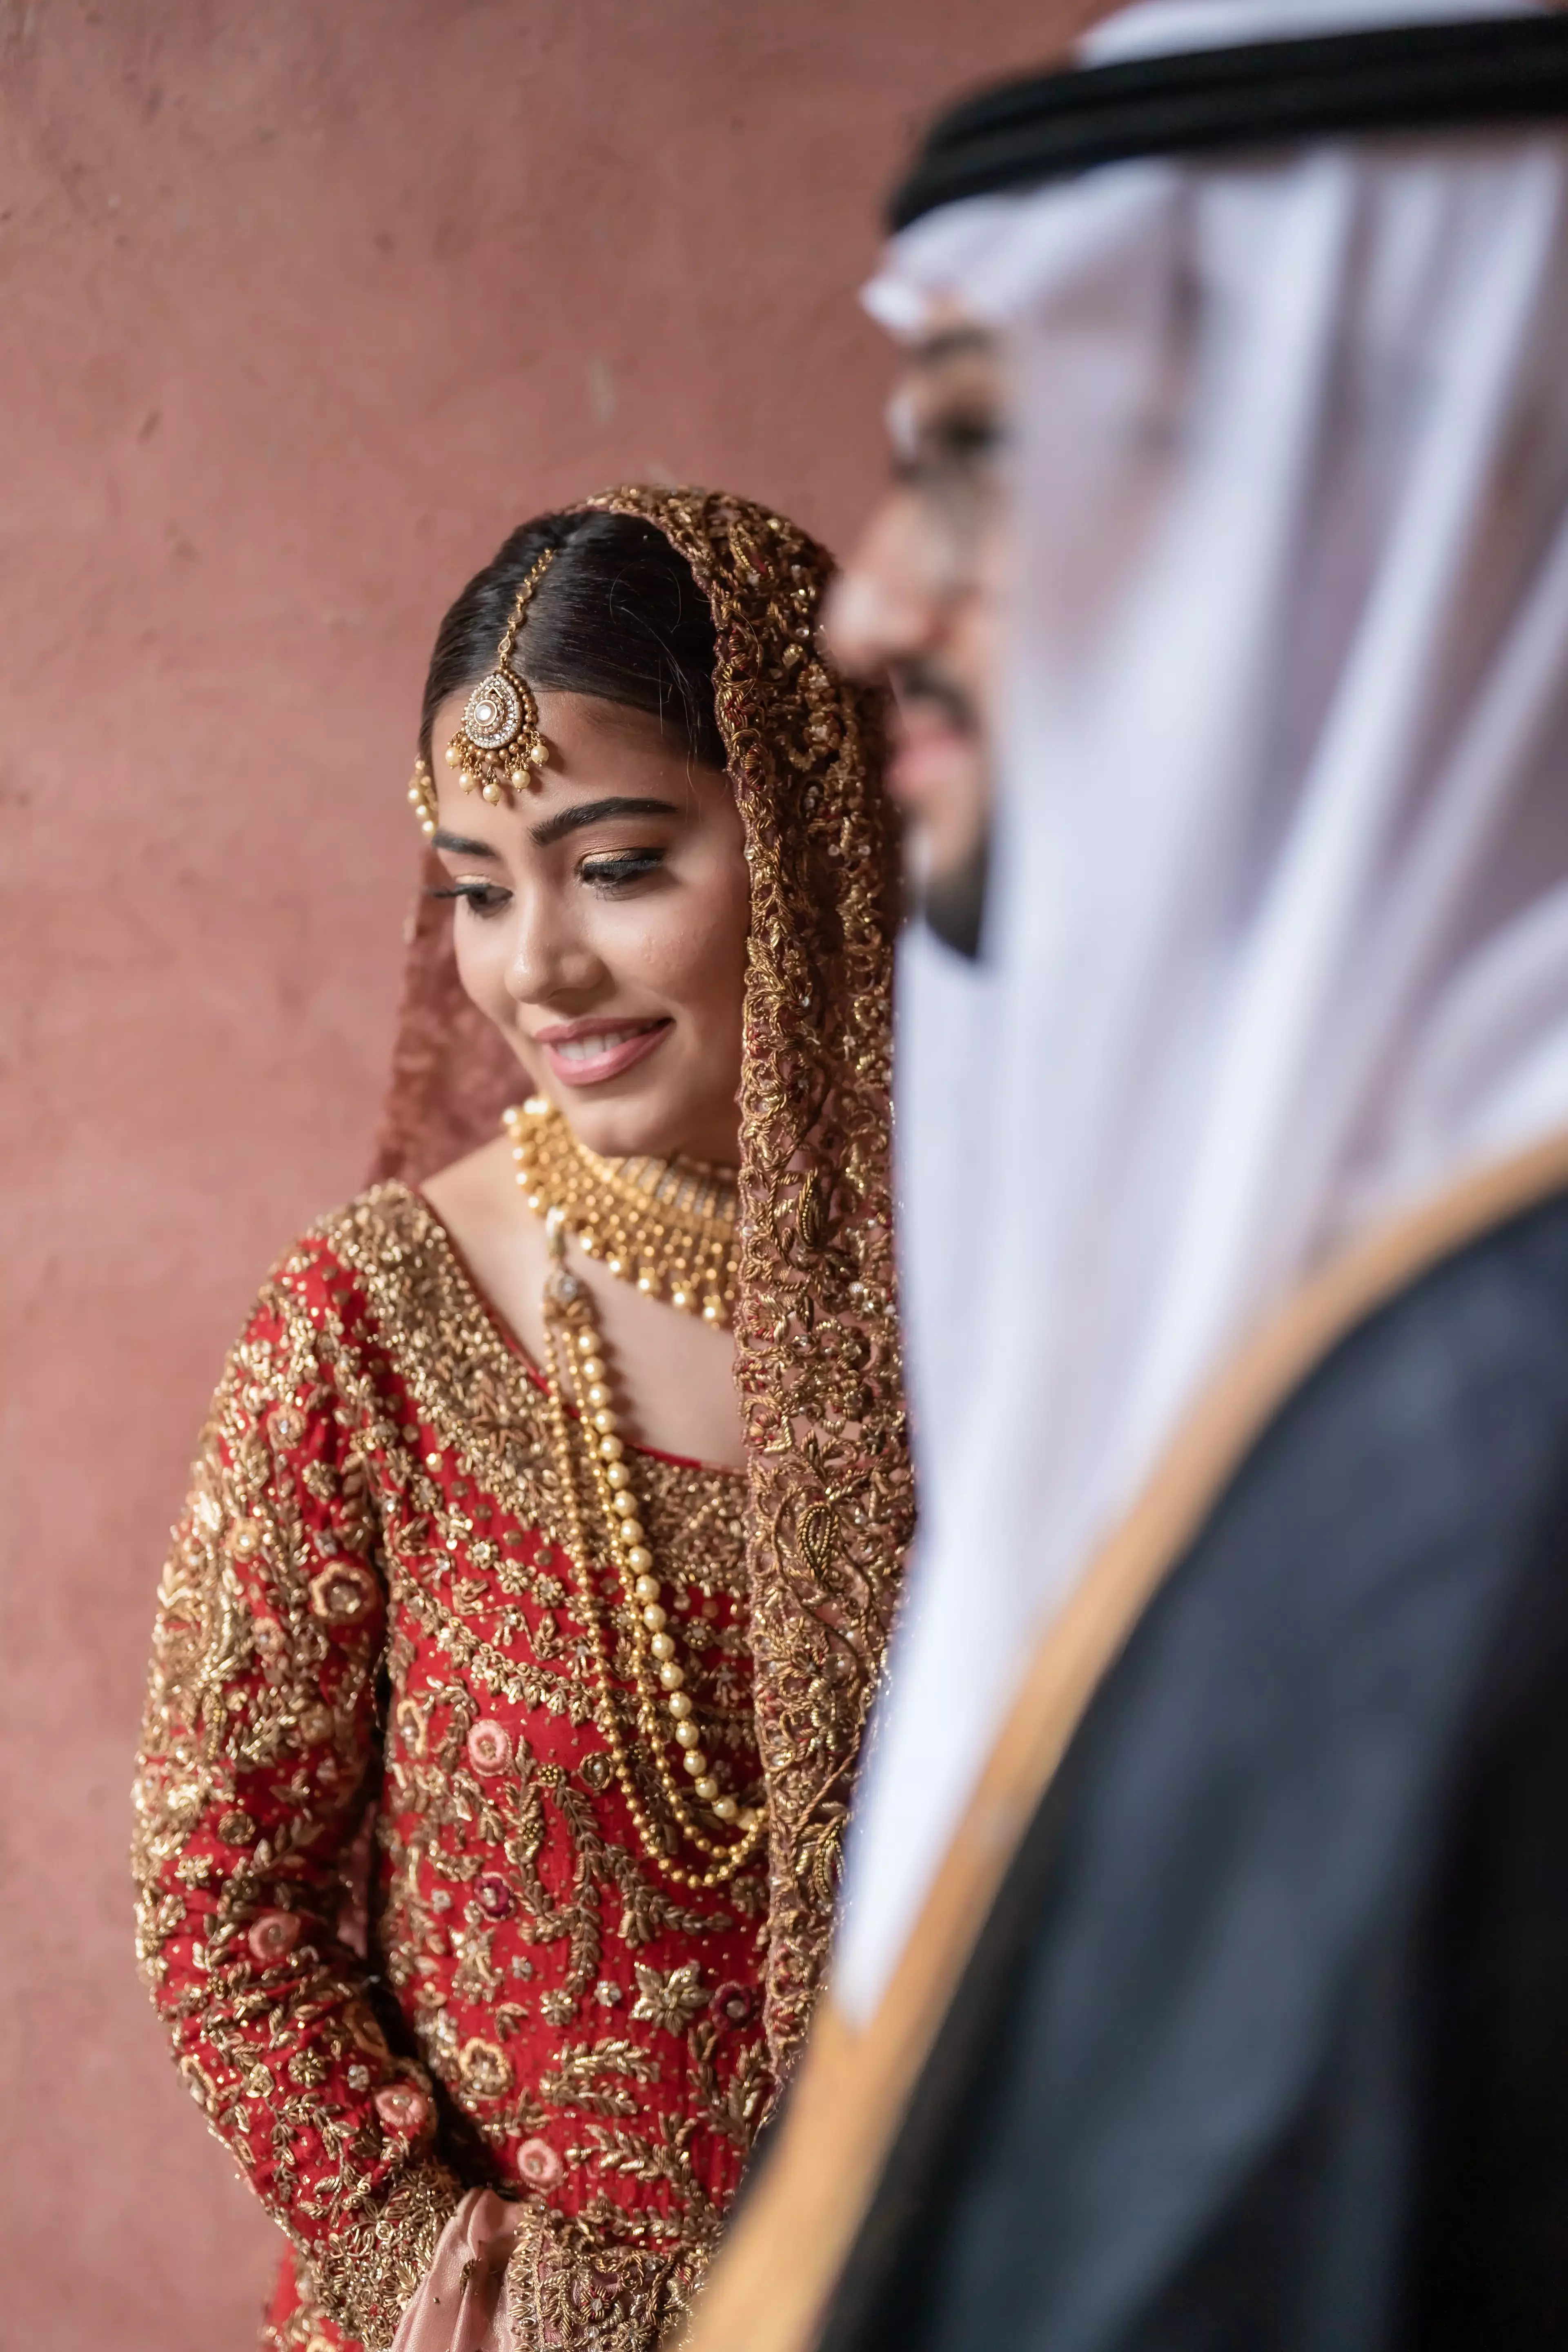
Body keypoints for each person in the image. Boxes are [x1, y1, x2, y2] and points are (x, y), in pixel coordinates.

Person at [680, 8, 1568, 2351]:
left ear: (1400, 472)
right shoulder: (1372, 1275)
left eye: (983, 463)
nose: (880, 600)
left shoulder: (1504, 1424)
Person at [131, 488, 911, 2352]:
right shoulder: (375, 1324)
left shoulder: (1022, 1317)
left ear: (810, 835)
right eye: (481, 886)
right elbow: (214, 1877)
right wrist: (412, 2249)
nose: (535, 966)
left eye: (617, 863)